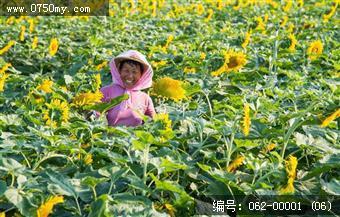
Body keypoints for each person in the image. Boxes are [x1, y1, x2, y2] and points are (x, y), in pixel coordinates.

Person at [97, 50, 156, 127]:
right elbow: (94, 115)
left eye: (134, 72)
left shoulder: (145, 98)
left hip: (136, 137)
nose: (130, 76)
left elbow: (154, 122)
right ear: (119, 71)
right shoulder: (107, 91)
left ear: (141, 75)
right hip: (109, 137)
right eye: (126, 71)